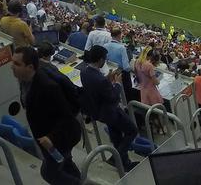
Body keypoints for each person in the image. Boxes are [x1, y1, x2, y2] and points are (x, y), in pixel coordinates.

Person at [11, 46, 82, 185]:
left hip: (58, 138)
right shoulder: (24, 79)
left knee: (48, 173)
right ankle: (78, 179)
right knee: (65, 161)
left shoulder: (48, 87)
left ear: (30, 67)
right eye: (12, 62)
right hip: (46, 136)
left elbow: (66, 116)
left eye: (17, 64)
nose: (11, 66)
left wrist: (51, 137)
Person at [79, 45, 137, 172]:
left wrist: (108, 80)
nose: (104, 61)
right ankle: (116, 157)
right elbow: (113, 97)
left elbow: (98, 88)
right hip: (111, 111)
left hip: (99, 111)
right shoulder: (100, 80)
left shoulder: (84, 72)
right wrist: (116, 83)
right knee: (132, 131)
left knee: (116, 137)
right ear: (100, 60)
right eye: (104, 59)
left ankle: (125, 162)